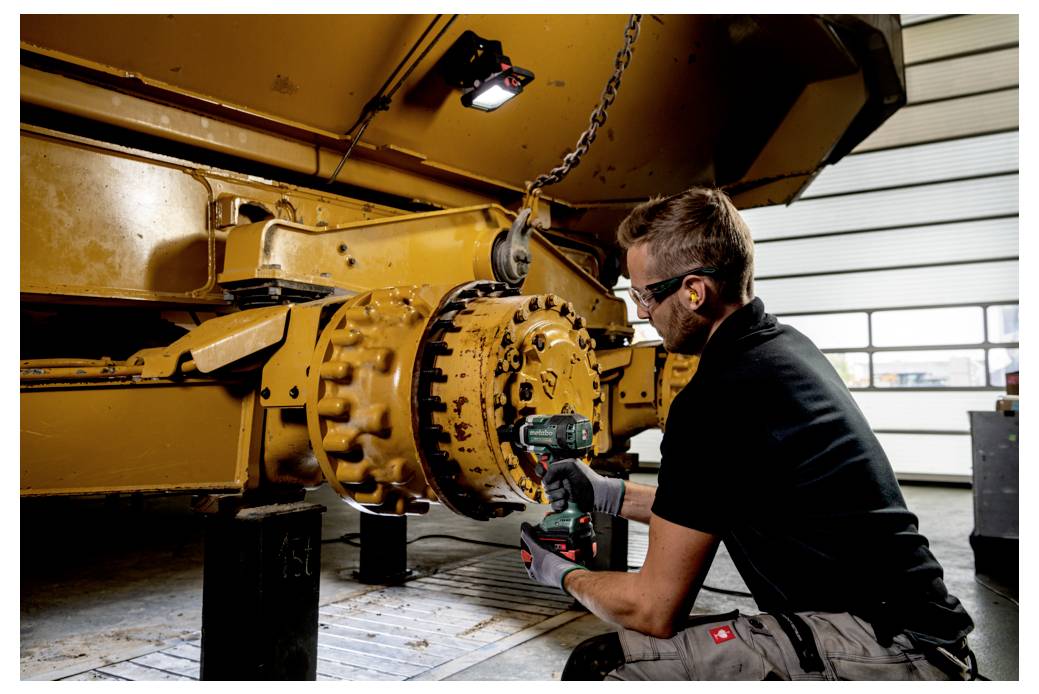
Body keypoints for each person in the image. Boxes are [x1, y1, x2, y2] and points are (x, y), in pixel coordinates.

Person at [518, 187, 976, 681]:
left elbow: (652, 608)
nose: (643, 312)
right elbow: (717, 501)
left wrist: (562, 574)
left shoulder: (718, 396)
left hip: (888, 648)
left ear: (694, 291)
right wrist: (605, 493)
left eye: (645, 294)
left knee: (605, 667)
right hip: (925, 632)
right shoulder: (783, 349)